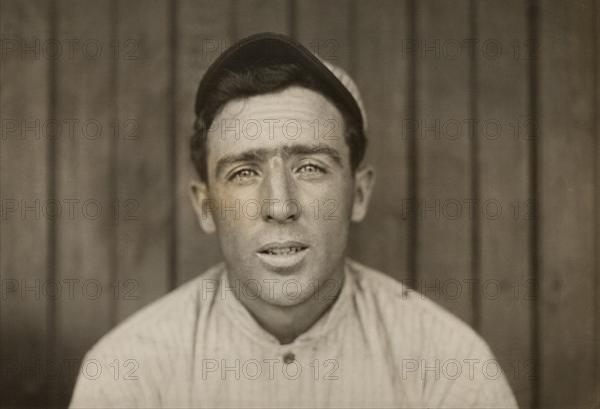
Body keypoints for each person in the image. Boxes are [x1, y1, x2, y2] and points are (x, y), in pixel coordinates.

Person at [69, 32, 518, 408]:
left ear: (358, 194)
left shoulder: (450, 368)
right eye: (244, 172)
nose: (280, 205)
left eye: (311, 167)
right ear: (206, 207)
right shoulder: (126, 376)